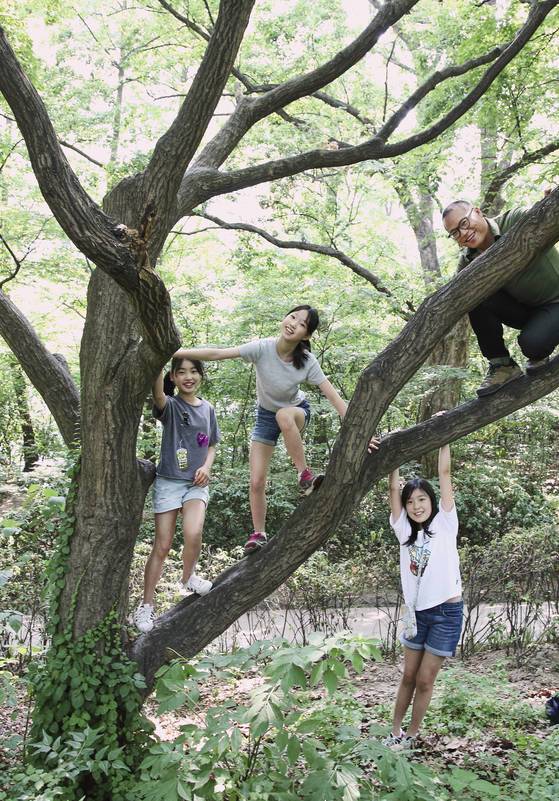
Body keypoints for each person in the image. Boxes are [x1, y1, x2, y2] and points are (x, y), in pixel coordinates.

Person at [175, 305, 349, 555]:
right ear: (284, 318)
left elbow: (334, 398)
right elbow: (218, 353)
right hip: (265, 417)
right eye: (292, 316)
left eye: (301, 323)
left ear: (306, 335)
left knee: (284, 415)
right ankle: (259, 534)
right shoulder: (262, 348)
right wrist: (176, 352)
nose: (293, 323)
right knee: (256, 480)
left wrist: (364, 435)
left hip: (296, 411)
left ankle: (305, 476)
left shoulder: (307, 362)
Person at [382, 443, 463, 750]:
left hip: (446, 613)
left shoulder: (446, 522)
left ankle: (413, 737)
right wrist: (393, 455)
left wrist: (444, 438)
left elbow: (444, 472)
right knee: (408, 676)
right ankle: (396, 731)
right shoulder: (403, 529)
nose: (417, 506)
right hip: (415, 614)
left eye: (422, 499)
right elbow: (393, 486)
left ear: (431, 501)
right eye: (411, 501)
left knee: (425, 680)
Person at [134, 356, 220, 633]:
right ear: (173, 377)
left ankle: (188, 577)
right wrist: (159, 355)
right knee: (162, 545)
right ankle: (145, 606)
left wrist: (206, 467)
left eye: (194, 371)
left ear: (201, 376)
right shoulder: (170, 406)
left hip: (196, 484)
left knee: (194, 532)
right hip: (169, 482)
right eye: (181, 372)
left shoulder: (208, 409)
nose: (188, 376)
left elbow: (212, 446)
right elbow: (158, 393)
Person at [442, 201, 559, 397]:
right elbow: (455, 298)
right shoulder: (467, 260)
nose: (462, 233)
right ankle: (501, 366)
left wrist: (551, 205)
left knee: (532, 346)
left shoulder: (515, 219)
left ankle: (539, 338)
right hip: (528, 312)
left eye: (464, 223)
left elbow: (548, 218)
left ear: (478, 212)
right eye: (455, 233)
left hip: (556, 301)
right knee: (472, 292)